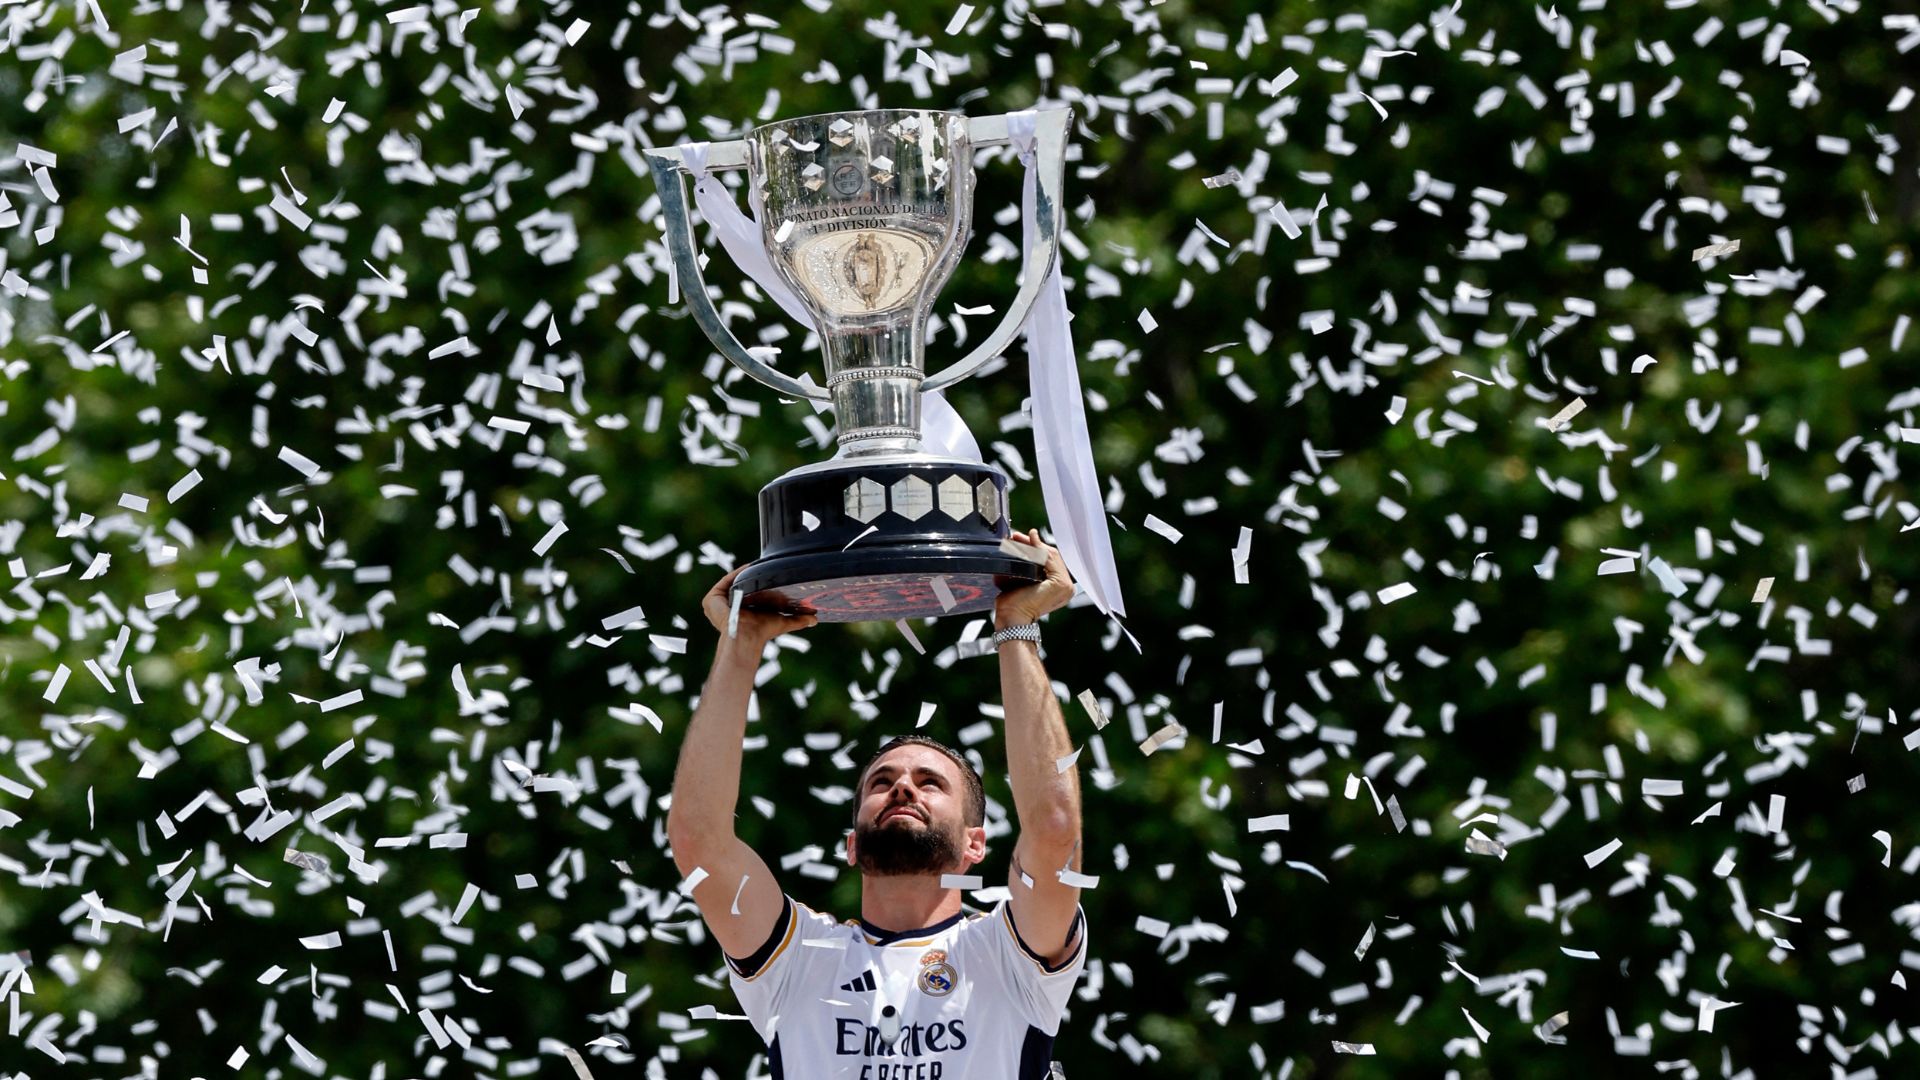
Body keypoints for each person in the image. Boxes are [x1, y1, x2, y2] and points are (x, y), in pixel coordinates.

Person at [666, 529, 1089, 1079]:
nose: (903, 787)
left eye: (930, 783)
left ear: (975, 843)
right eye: (881, 782)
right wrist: (740, 645)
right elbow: (698, 840)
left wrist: (1016, 627)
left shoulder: (1006, 955)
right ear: (850, 844)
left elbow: (1055, 827)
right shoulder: (801, 960)